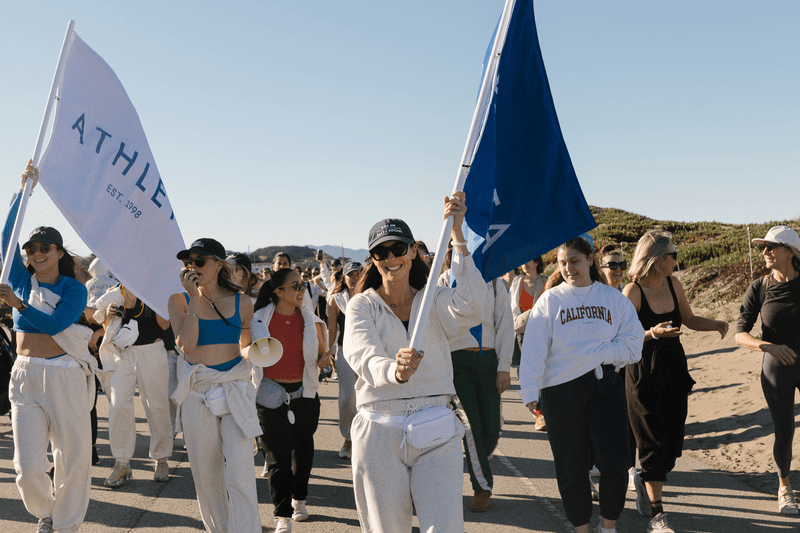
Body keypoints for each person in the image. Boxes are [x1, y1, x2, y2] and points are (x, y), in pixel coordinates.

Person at [343, 193, 485, 533]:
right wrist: (392, 370)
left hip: (435, 423)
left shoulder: (434, 298)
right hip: (379, 428)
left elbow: (473, 306)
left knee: (445, 528)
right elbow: (361, 353)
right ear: (372, 259)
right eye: (381, 252)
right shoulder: (362, 305)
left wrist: (458, 236)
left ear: (412, 252)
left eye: (398, 248)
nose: (391, 258)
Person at [520, 236, 644, 533]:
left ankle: (608, 527)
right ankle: (581, 528)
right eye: (563, 263)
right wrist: (530, 390)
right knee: (571, 468)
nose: (568, 268)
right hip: (559, 392)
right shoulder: (550, 300)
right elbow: (534, 347)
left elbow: (634, 344)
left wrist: (598, 354)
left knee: (615, 464)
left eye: (574, 261)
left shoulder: (613, 299)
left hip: (605, 387)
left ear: (590, 260)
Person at [1, 161, 94, 533]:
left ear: (58, 252)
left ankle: (66, 523)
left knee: (71, 457)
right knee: (26, 467)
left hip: (63, 374)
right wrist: (22, 192)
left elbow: (56, 325)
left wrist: (20, 306)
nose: (36, 253)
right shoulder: (21, 279)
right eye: (31, 249)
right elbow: (7, 237)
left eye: (44, 248)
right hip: (24, 373)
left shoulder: (74, 289)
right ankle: (46, 511)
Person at [623, 230, 728, 532]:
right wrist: (652, 333)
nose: (676, 260)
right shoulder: (632, 291)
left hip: (673, 369)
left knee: (671, 442)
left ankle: (647, 480)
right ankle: (657, 515)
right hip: (642, 371)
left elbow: (689, 319)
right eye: (673, 255)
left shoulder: (674, 284)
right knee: (653, 443)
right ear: (657, 258)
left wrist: (716, 324)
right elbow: (622, 335)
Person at [168, 238, 261, 533]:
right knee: (207, 477)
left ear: (219, 265)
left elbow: (245, 345)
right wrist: (195, 299)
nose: (193, 267)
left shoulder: (243, 302)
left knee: (241, 471)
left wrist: (260, 350)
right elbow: (187, 346)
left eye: (200, 261)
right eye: (189, 262)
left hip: (234, 389)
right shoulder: (178, 300)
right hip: (199, 392)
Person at [437, 244, 514, 512]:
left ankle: (478, 458)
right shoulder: (443, 280)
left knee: (491, 428)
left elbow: (505, 326)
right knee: (470, 428)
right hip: (457, 363)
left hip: (488, 362)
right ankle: (482, 487)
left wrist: (504, 366)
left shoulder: (495, 283)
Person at [253, 268, 329, 533]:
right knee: (276, 457)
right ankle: (282, 515)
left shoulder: (311, 321)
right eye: (295, 285)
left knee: (302, 452)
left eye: (302, 284)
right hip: (269, 395)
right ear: (278, 292)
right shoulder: (259, 319)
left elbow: (322, 354)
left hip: (304, 394)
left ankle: (299, 499)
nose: (301, 290)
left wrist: (324, 359)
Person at [735, 225, 800, 515]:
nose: (765, 252)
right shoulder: (759, 287)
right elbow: (740, 334)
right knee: (784, 430)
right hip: (776, 368)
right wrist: (769, 347)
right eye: (763, 247)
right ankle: (784, 488)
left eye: (771, 247)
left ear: (790, 252)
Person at [99, 286, 173, 488]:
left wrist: (153, 301)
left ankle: (161, 458)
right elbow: (108, 329)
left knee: (156, 406)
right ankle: (121, 462)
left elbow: (165, 324)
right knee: (118, 405)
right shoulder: (115, 292)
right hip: (123, 354)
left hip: (152, 350)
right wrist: (108, 316)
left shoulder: (154, 288)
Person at [326, 261, 363, 459]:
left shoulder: (371, 295)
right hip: (345, 352)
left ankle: (365, 438)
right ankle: (348, 438)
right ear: (344, 277)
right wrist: (328, 351)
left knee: (368, 396)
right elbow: (332, 328)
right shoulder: (335, 299)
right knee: (347, 397)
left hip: (367, 351)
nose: (355, 278)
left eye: (358, 274)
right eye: (351, 275)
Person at [510, 257, 548, 429]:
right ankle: (537, 410)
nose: (524, 264)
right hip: (524, 335)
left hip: (544, 333)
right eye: (522, 261)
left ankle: (542, 413)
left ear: (536, 262)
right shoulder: (517, 282)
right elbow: (513, 312)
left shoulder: (547, 281)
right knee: (526, 371)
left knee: (544, 371)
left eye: (528, 260)